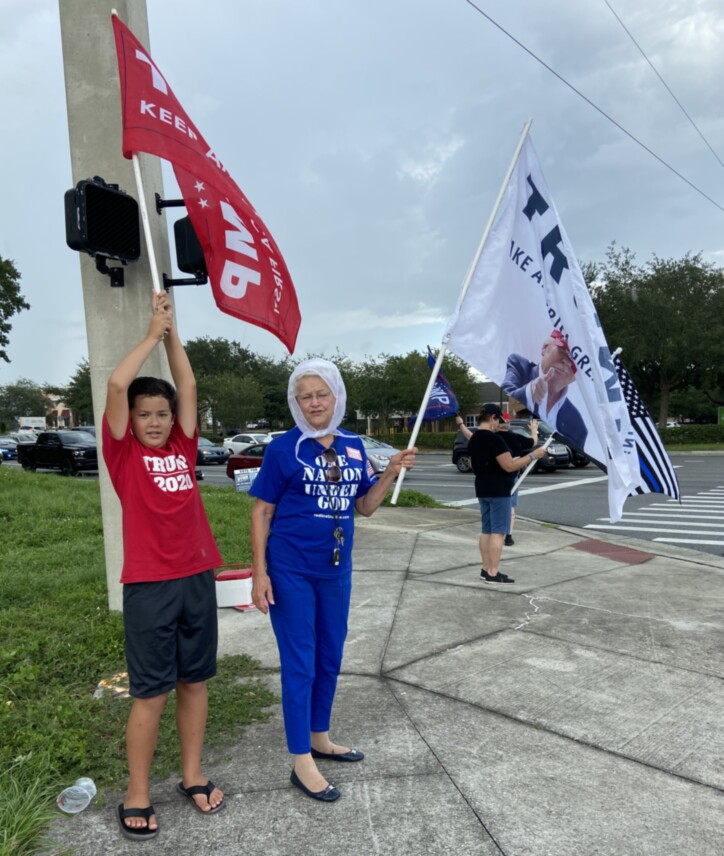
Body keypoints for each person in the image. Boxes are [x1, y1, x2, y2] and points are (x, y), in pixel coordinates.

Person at [249, 358, 417, 803]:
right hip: (291, 570)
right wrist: (259, 574)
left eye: (321, 393)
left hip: (336, 570)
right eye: (305, 395)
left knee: (330, 655)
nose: (314, 402)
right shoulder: (284, 449)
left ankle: (319, 735)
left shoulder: (353, 444)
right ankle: (300, 759)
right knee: (300, 661)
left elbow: (364, 507)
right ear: (295, 402)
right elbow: (261, 511)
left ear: (336, 395)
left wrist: (390, 472)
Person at [104, 291, 225, 841]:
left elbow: (191, 386)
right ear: (130, 420)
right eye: (144, 415)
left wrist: (174, 333)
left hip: (196, 577)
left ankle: (192, 775)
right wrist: (151, 334)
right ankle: (136, 792)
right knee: (150, 691)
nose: (154, 422)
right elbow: (114, 385)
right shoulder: (123, 453)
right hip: (150, 587)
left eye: (161, 414)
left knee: (194, 682)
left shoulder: (182, 445)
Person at [461, 404, 544, 583]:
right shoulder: (495, 440)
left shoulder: (474, 439)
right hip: (499, 489)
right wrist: (532, 456)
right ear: (492, 418)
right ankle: (492, 572)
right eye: (498, 419)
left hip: (482, 487)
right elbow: (509, 466)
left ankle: (485, 568)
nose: (499, 423)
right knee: (498, 532)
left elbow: (473, 464)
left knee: (486, 530)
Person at [501, 330, 587, 449]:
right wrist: (530, 390)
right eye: (563, 351)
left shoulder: (578, 427)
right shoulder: (519, 366)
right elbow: (507, 391)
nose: (567, 362)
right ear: (545, 348)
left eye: (575, 361)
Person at [497, 413, 538, 545]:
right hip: (512, 476)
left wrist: (462, 425)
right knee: (510, 506)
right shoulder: (516, 438)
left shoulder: (492, 438)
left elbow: (472, 437)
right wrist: (533, 430)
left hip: (494, 476)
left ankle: (496, 532)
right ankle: (508, 536)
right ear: (508, 423)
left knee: (495, 506)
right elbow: (533, 442)